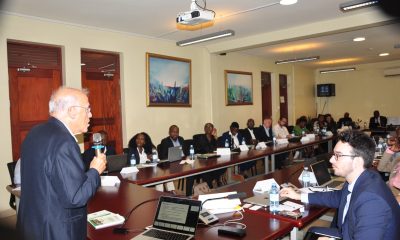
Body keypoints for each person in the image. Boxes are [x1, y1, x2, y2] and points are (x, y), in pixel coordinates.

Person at [17, 87, 107, 240]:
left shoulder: (35, 132)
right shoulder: (64, 142)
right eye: (88, 109)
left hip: (32, 224)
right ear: (72, 111)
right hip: (56, 230)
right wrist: (95, 170)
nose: (91, 115)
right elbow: (75, 198)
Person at [280, 129, 400, 240]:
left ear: (357, 161)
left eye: (338, 155)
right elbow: (338, 197)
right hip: (349, 232)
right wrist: (299, 195)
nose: (331, 159)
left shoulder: (372, 201)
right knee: (313, 231)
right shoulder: (362, 178)